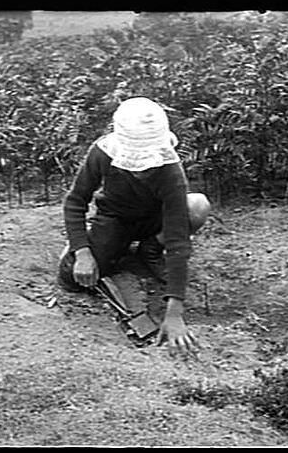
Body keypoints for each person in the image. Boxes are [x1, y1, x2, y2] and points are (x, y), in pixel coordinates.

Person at [58, 97, 211, 357]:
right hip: (115, 218)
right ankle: (87, 248)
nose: (141, 171)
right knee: (74, 277)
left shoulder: (170, 171)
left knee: (197, 206)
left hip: (155, 220)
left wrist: (174, 314)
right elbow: (75, 201)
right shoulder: (102, 153)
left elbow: (178, 242)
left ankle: (149, 249)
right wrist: (82, 253)